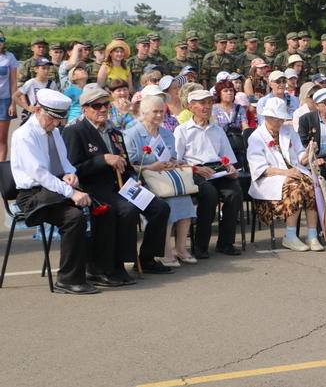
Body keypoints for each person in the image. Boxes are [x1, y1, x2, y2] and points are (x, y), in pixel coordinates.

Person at [62, 85, 172, 283]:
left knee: (159, 208)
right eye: (97, 106)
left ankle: (147, 258)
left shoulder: (114, 132)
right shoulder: (75, 131)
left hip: (122, 185)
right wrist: (102, 159)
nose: (103, 109)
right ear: (85, 109)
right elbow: (72, 169)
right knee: (126, 210)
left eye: (106, 104)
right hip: (93, 187)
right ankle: (113, 266)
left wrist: (134, 178)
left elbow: (125, 163)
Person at [10, 89, 97, 294]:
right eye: (52, 118)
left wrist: (70, 174)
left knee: (97, 204)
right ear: (37, 109)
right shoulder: (24, 135)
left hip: (54, 187)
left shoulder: (54, 131)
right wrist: (71, 192)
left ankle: (95, 268)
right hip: (32, 195)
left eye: (59, 119)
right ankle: (67, 279)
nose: (56, 124)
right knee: (74, 218)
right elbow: (40, 174)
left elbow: (64, 161)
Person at [124, 96, 197, 267]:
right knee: (168, 202)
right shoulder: (132, 134)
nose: (159, 115)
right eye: (155, 111)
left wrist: (172, 162)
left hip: (166, 180)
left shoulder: (166, 133)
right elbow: (128, 166)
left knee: (184, 199)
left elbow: (172, 157)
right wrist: (149, 167)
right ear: (143, 113)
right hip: (142, 181)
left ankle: (180, 248)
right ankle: (165, 251)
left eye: (161, 111)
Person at [247, 97, 324, 252]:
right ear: (267, 117)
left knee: (312, 185)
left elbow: (300, 157)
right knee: (295, 187)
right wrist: (286, 172)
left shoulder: (289, 131)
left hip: (294, 172)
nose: (280, 122)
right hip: (270, 180)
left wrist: (309, 153)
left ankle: (312, 234)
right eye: (277, 119)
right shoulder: (256, 137)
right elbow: (260, 169)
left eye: (281, 118)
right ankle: (290, 236)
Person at [174, 89, 243, 257]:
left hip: (218, 169)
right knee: (209, 194)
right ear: (191, 107)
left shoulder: (217, 130)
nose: (206, 107)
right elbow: (176, 161)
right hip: (194, 170)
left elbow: (227, 158)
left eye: (209, 103)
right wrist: (196, 169)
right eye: (202, 103)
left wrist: (231, 169)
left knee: (234, 193)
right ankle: (200, 245)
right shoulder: (182, 130)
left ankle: (226, 243)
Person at [298, 88, 326, 179]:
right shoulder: (306, 120)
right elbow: (302, 144)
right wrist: (315, 158)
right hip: (316, 160)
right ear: (317, 105)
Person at [15, 58, 56, 123]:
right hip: (34, 117)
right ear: (36, 69)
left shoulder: (52, 84)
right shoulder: (31, 83)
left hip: (47, 117)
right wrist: (27, 108)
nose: (46, 71)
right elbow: (15, 96)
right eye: (43, 68)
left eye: (48, 68)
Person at [0, 31, 18, 160]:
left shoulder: (9, 57)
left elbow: (13, 82)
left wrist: (13, 103)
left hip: (4, 101)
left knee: (1, 138)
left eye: (2, 38)